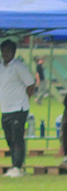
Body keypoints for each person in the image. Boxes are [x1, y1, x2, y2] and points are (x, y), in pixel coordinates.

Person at [1, 39, 36, 178]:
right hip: (5, 108)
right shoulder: (1, 68)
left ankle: (18, 166)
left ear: (13, 52)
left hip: (19, 107)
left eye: (8, 50)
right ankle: (14, 164)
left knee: (17, 137)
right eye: (3, 50)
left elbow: (30, 84)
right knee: (9, 138)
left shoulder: (18, 67)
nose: (5, 53)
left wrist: (25, 99)